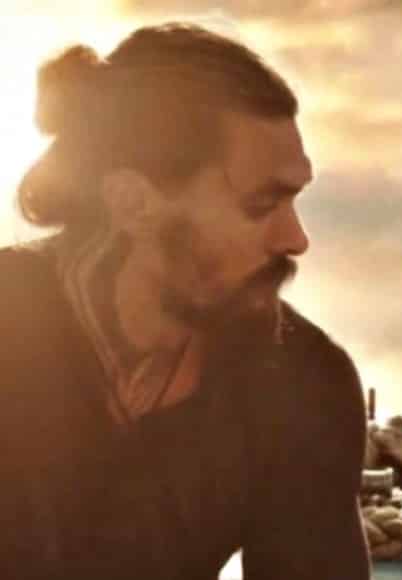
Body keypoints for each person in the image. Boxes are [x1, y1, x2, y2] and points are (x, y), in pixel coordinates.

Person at [0, 23, 370, 579]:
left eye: (293, 200)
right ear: (132, 202)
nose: (295, 239)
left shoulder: (302, 384)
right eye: (261, 205)